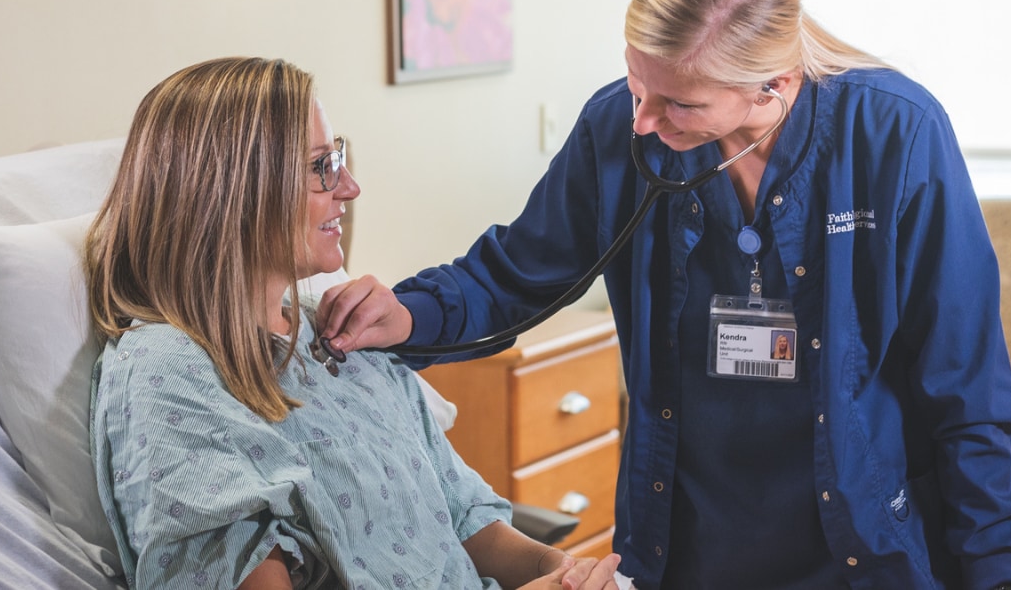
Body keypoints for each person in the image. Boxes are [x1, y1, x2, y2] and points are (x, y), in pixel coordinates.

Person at [318, 0, 1011, 589]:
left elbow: (967, 386)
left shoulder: (894, 135)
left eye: (677, 104)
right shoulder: (618, 132)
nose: (641, 122)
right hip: (686, 546)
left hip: (859, 549)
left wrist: (992, 574)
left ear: (772, 87)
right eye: (636, 86)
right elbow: (513, 275)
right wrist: (406, 314)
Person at [84, 57, 624, 589]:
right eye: (322, 166)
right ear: (236, 192)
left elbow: (460, 518)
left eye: (336, 158)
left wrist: (558, 571)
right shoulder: (170, 372)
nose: (349, 189)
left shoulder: (340, 336)